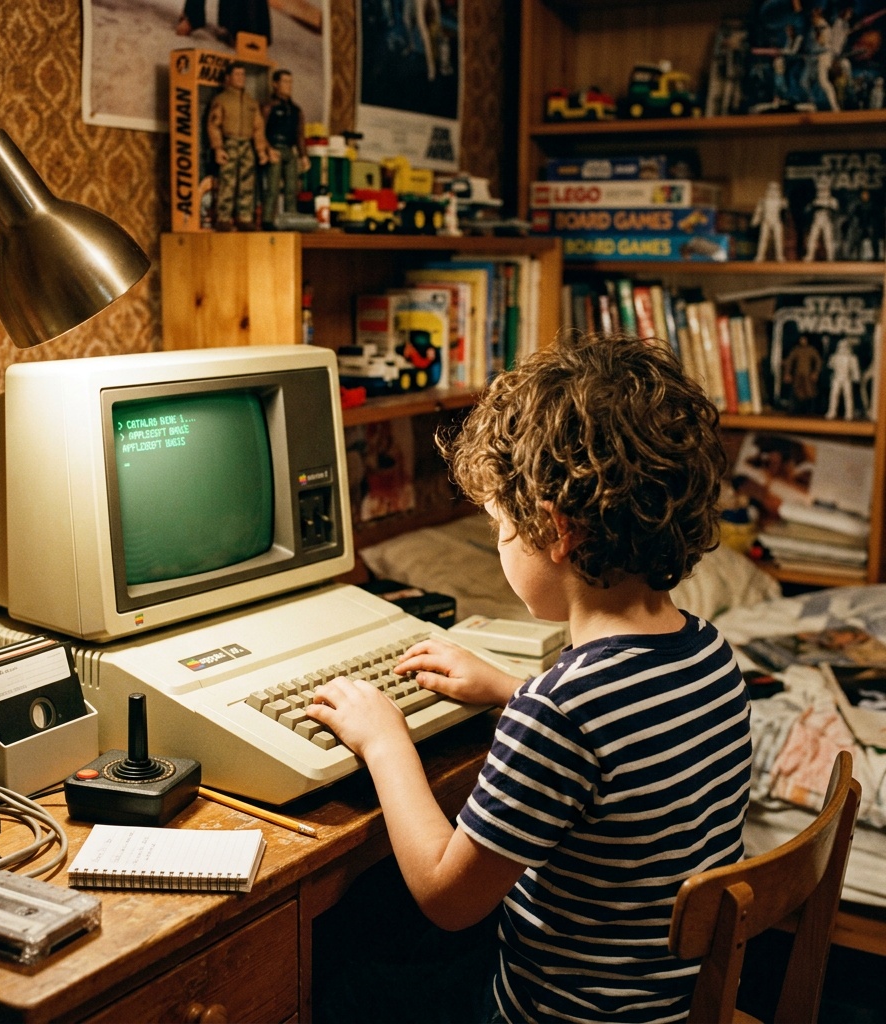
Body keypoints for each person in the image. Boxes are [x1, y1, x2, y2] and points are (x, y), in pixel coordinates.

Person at [306, 332, 752, 1024]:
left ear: (555, 531)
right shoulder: (710, 655)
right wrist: (509, 690)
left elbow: (448, 899)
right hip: (665, 1002)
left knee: (345, 987)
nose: (499, 545)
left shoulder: (560, 712)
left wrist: (385, 741)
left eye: (497, 526)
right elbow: (620, 747)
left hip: (555, 1013)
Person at [207, 61, 269, 230]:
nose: (241, 78)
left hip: (247, 144)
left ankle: (244, 217)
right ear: (228, 77)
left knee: (247, 182)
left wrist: (261, 150)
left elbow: (258, 128)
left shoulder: (251, 102)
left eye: (243, 75)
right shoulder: (222, 100)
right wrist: (218, 147)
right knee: (228, 181)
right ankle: (224, 217)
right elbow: (214, 125)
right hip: (230, 143)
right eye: (237, 74)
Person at [261, 69, 310, 229]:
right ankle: (267, 219)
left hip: (289, 151)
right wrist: (268, 149)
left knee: (291, 187)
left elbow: (299, 135)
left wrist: (303, 156)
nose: (288, 86)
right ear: (275, 84)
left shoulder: (296, 110)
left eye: (290, 82)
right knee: (272, 188)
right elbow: (259, 131)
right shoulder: (268, 106)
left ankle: (291, 217)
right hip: (274, 149)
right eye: (284, 82)